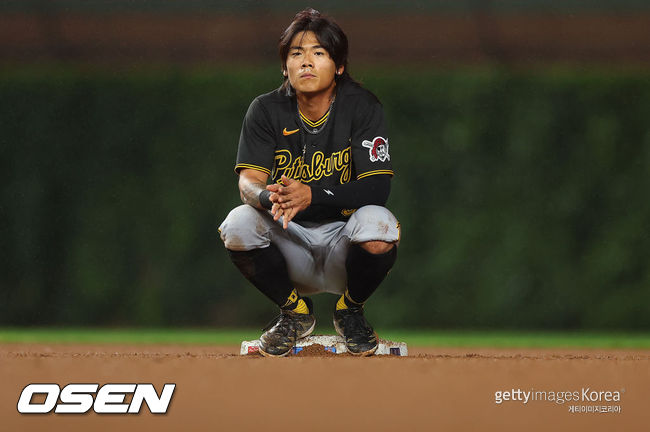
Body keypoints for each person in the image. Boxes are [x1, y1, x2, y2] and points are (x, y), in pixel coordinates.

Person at [219, 8, 400, 357]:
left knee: (380, 223)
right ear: (284, 66)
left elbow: (378, 188)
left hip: (344, 243)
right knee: (237, 223)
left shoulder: (362, 107)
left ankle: (350, 310)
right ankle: (295, 313)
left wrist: (312, 194)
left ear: (339, 65)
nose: (306, 62)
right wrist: (269, 198)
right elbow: (248, 182)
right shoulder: (265, 109)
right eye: (296, 53)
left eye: (318, 53)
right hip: (290, 244)